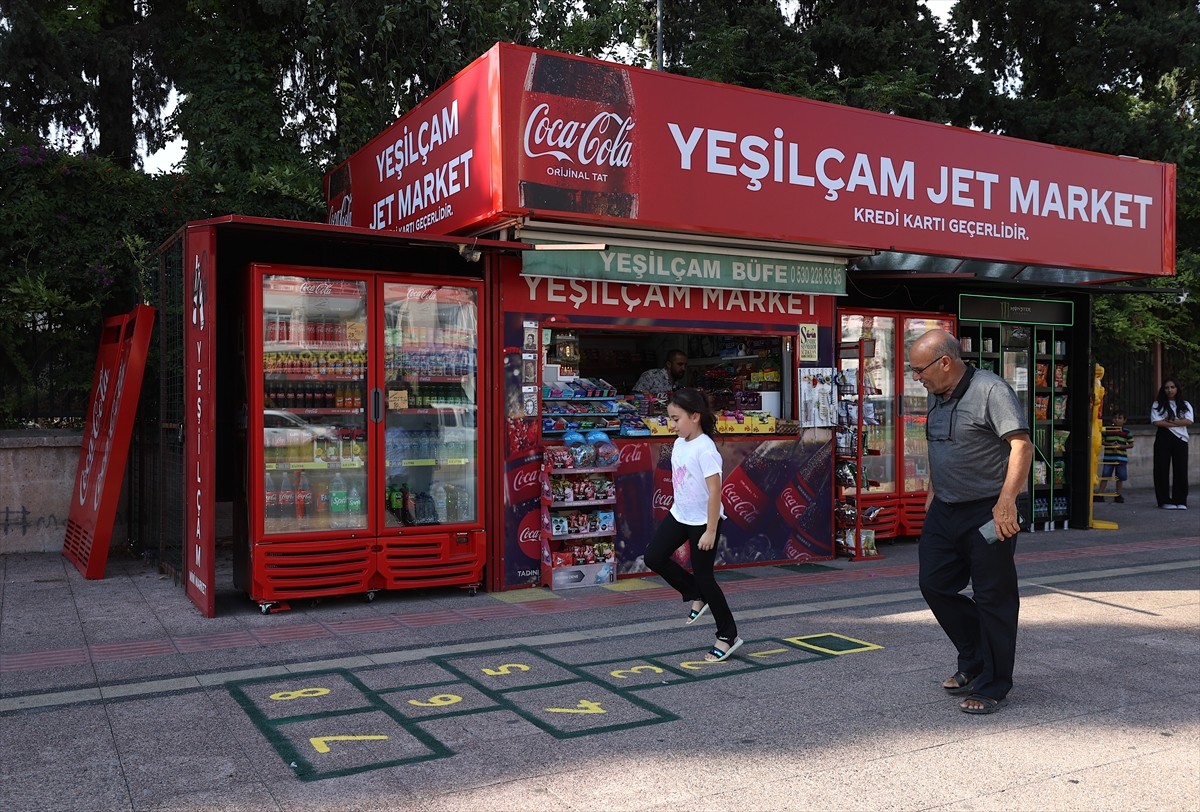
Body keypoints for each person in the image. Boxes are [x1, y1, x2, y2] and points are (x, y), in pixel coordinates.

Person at [907, 330, 1033, 715]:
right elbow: (939, 446)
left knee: (993, 596)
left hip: (988, 510)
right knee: (934, 583)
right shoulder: (936, 393)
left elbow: (1021, 445)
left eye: (919, 370)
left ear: (945, 362)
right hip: (946, 508)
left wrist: (1006, 502)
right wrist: (932, 494)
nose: (917, 378)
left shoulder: (991, 390)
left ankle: (994, 683)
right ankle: (976, 656)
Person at [643, 387, 742, 662]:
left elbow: (715, 492)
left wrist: (711, 530)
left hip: (703, 522)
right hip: (680, 515)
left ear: (695, 416)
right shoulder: (679, 444)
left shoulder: (706, 449)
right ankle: (693, 592)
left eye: (676, 419)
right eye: (670, 419)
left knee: (705, 577)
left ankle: (727, 635)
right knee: (653, 556)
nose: (672, 425)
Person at [1150, 377, 1192, 510]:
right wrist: (1177, 422)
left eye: (1172, 387)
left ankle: (1180, 500)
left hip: (1181, 439)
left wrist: (1170, 420)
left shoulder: (1185, 404)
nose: (1170, 390)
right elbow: (1157, 422)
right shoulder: (1157, 404)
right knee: (1161, 469)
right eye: (1167, 388)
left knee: (1181, 469)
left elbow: (1189, 421)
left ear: (1177, 389)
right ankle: (1163, 500)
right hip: (1163, 437)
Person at [1095, 410, 1133, 502]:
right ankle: (1100, 494)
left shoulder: (1127, 432)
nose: (1116, 420)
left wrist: (1121, 446)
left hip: (1121, 458)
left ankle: (1118, 495)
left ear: (1124, 420)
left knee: (1120, 477)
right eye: (1115, 418)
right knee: (1105, 476)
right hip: (1109, 458)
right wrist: (1110, 444)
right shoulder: (1107, 430)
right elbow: (1101, 441)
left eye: (1119, 418)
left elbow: (1131, 444)